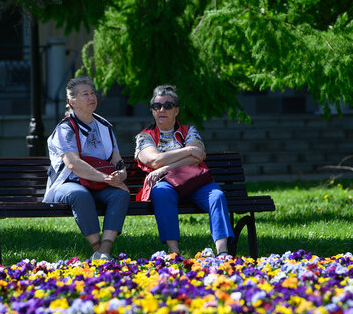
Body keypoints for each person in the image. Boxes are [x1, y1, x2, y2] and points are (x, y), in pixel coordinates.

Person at [134, 84, 234, 257]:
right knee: (160, 193)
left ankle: (222, 251)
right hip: (165, 184)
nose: (162, 110)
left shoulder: (189, 131)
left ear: (176, 110)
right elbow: (154, 160)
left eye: (168, 105)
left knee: (217, 196)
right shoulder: (144, 136)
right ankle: (174, 253)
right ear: (152, 111)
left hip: (195, 182)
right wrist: (187, 151)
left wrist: (165, 166)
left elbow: (199, 156)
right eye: (157, 106)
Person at [43, 77, 129, 261]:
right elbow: (74, 164)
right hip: (68, 182)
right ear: (72, 102)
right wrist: (106, 179)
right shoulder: (64, 129)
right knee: (80, 194)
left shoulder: (105, 126)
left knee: (120, 194)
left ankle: (105, 249)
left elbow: (117, 159)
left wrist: (121, 174)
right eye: (85, 94)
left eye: (92, 93)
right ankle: (96, 249)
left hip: (98, 182)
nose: (91, 98)